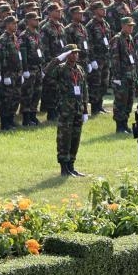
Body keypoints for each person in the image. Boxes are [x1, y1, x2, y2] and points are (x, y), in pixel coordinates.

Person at [46, 43, 89, 177]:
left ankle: (71, 165)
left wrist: (85, 109)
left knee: (75, 137)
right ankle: (64, 167)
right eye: (72, 53)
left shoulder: (80, 69)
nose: (75, 55)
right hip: (66, 108)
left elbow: (84, 89)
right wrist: (58, 58)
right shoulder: (60, 69)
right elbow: (47, 72)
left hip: (78, 108)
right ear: (66, 55)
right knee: (64, 138)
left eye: (76, 53)